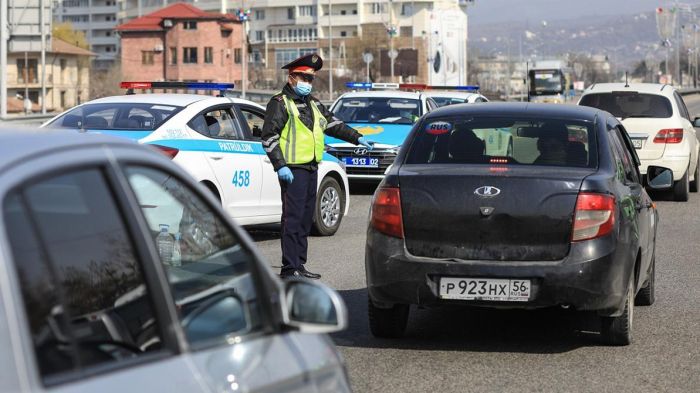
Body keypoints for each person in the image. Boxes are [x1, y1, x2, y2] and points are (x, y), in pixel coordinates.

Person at [261, 53, 374, 279]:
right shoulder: (280, 103)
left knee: (304, 220)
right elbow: (269, 137)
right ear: (291, 77)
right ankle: (289, 268)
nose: (307, 83)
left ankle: (300, 265)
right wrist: (280, 166)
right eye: (304, 77)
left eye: (311, 79)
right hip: (292, 170)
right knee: (292, 220)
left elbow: (333, 124)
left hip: (312, 167)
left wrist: (356, 137)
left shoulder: (312, 103)